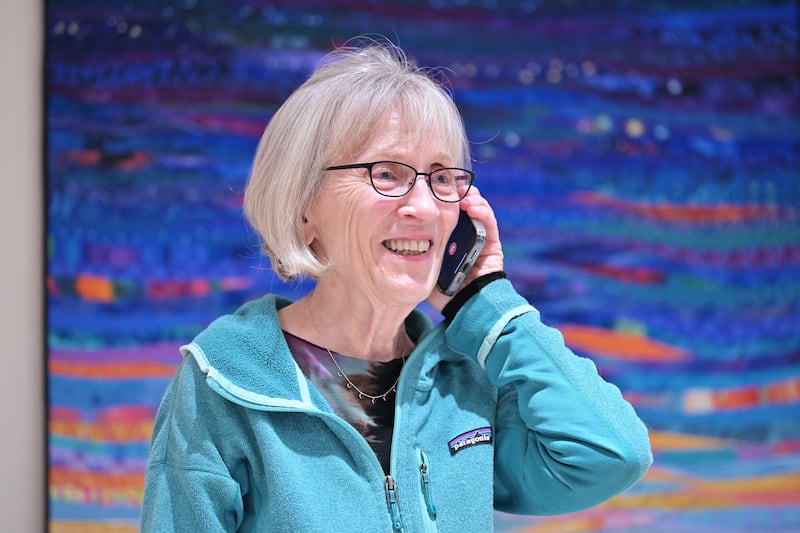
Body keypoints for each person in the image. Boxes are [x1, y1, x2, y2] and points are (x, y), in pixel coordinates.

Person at [141, 41, 652, 532]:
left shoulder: (466, 379)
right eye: (387, 173)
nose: (425, 207)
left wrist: (485, 302)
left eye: (442, 178)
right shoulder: (225, 381)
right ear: (304, 207)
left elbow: (611, 454)